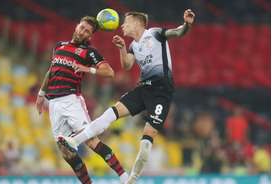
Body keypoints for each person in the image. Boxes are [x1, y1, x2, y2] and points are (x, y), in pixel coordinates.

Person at [58, 9, 196, 183]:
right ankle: (74, 141)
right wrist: (123, 48)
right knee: (110, 113)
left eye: (126, 22)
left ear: (137, 23)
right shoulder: (133, 45)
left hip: (161, 92)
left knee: (146, 142)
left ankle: (132, 179)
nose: (122, 25)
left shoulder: (154, 33)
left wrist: (187, 25)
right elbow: (127, 65)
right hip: (143, 89)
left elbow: (177, 32)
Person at [35, 16, 128, 184]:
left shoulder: (89, 52)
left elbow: (109, 72)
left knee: (91, 141)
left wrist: (87, 69)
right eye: (82, 27)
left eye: (87, 31)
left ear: (89, 36)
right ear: (77, 26)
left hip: (72, 100)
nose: (83, 31)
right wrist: (41, 94)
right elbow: (51, 70)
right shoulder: (59, 46)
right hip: (53, 103)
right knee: (66, 152)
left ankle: (124, 176)